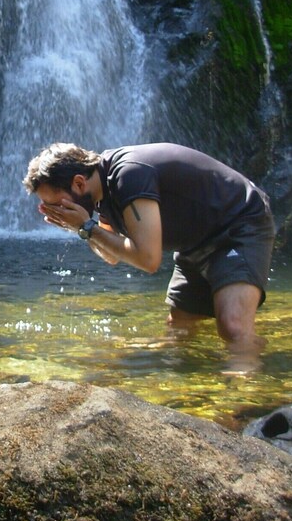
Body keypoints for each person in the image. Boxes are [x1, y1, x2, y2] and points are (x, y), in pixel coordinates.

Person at [23, 142, 275, 361]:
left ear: (78, 183)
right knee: (179, 328)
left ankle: (246, 399)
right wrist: (82, 228)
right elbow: (111, 255)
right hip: (196, 242)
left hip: (238, 223)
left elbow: (148, 259)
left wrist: (86, 227)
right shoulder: (101, 194)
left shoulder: (128, 175)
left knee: (233, 328)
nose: (56, 211)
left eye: (57, 205)